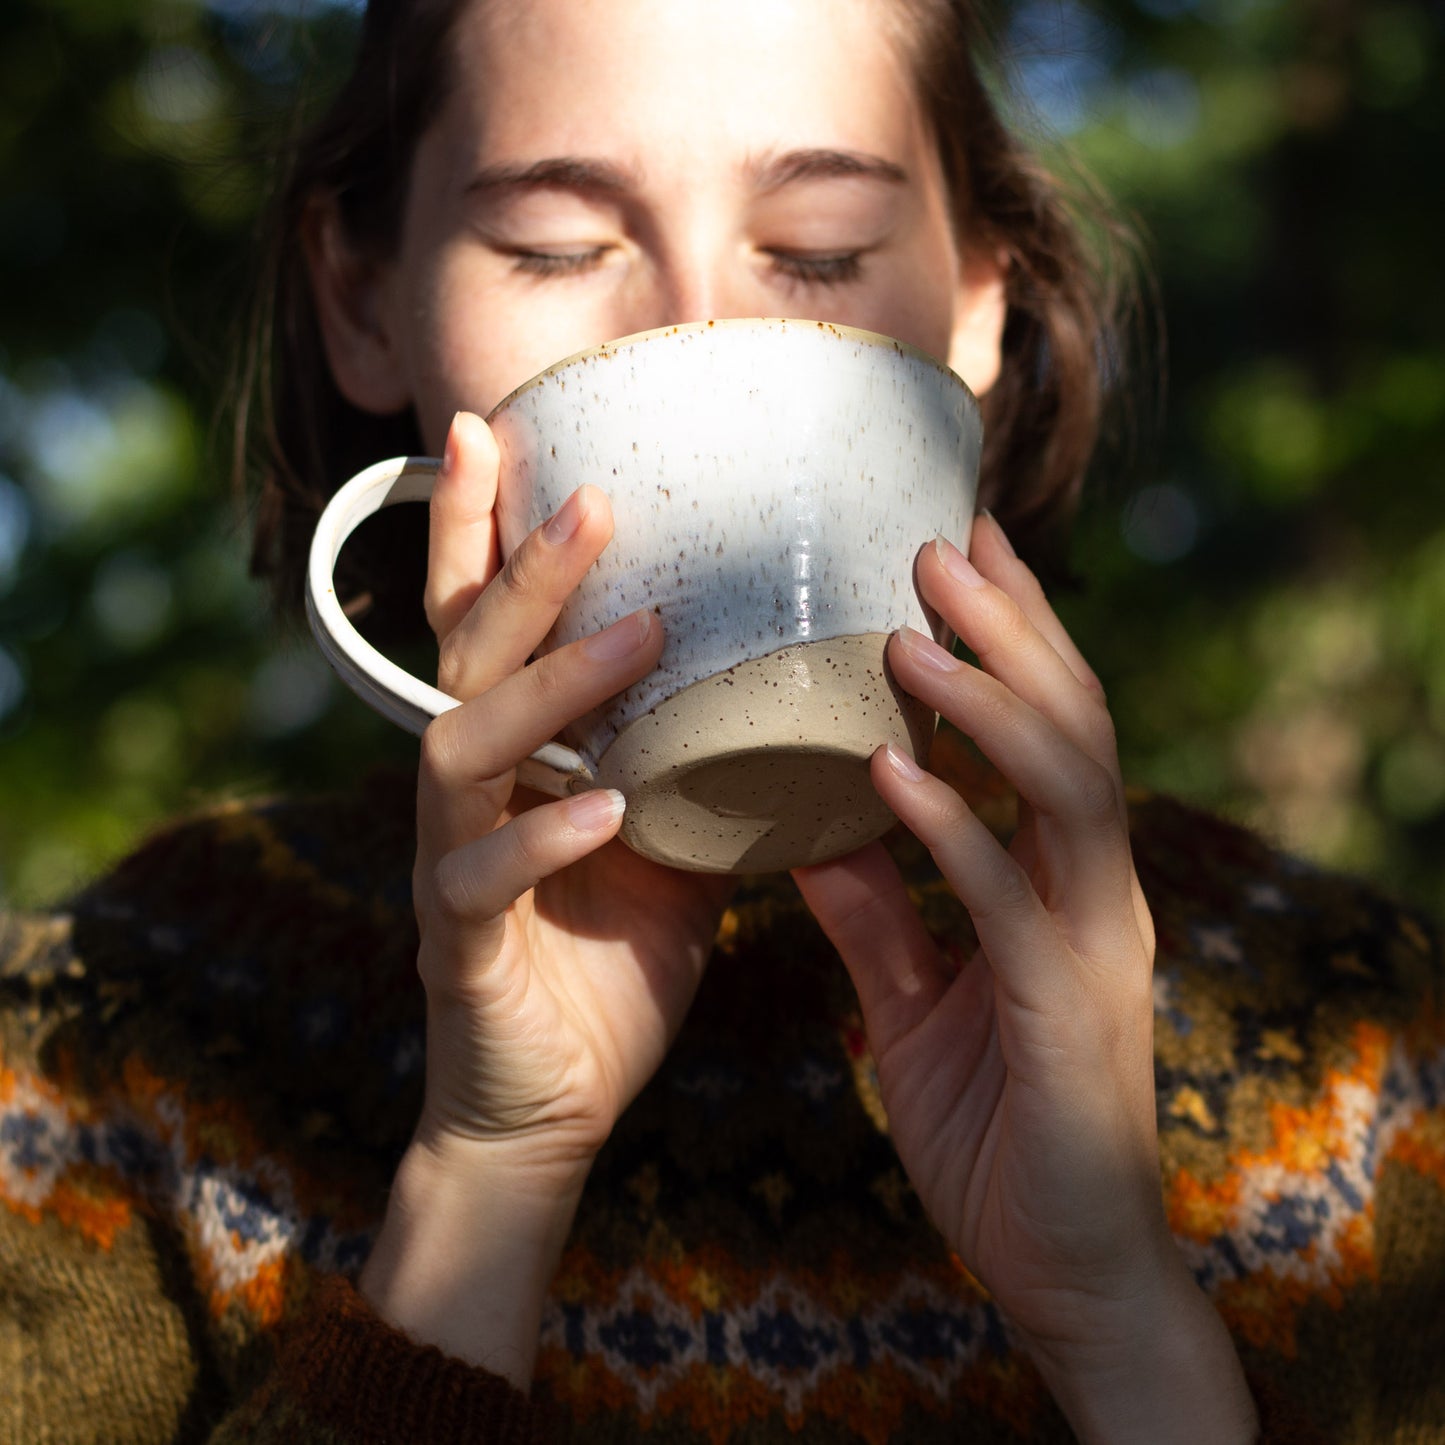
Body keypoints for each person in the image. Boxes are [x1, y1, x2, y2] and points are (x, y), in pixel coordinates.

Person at [2, 0, 1442, 1441]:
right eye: (555, 247)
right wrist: (482, 1184)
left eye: (818, 247)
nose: (698, 326)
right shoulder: (126, 1028)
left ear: (979, 303)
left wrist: (1124, 1318)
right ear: (363, 301)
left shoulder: (1345, 1030)